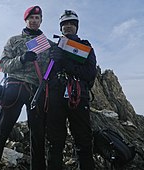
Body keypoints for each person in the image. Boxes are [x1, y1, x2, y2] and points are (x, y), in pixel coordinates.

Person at [0, 5, 53, 170]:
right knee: (1, 130)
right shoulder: (13, 41)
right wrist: (22, 59)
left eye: (37, 18)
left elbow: (59, 62)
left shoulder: (49, 44)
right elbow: (4, 65)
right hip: (14, 87)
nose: (34, 21)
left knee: (38, 136)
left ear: (41, 21)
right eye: (31, 18)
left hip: (38, 91)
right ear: (26, 20)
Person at [46, 10, 97, 170]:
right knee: (55, 141)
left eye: (71, 24)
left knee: (83, 140)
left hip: (79, 95)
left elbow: (90, 73)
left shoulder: (86, 47)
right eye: (65, 24)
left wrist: (66, 64)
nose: (68, 26)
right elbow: (46, 74)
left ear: (76, 27)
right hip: (55, 96)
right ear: (61, 28)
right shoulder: (54, 47)